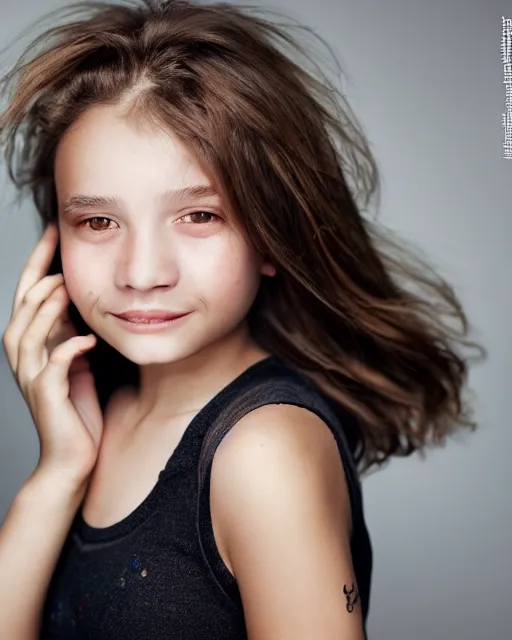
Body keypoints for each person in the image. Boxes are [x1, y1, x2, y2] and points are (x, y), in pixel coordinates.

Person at [0, 1, 484, 639]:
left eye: (200, 216)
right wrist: (57, 472)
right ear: (55, 239)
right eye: (97, 222)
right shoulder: (103, 410)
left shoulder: (263, 451)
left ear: (272, 237)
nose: (143, 272)